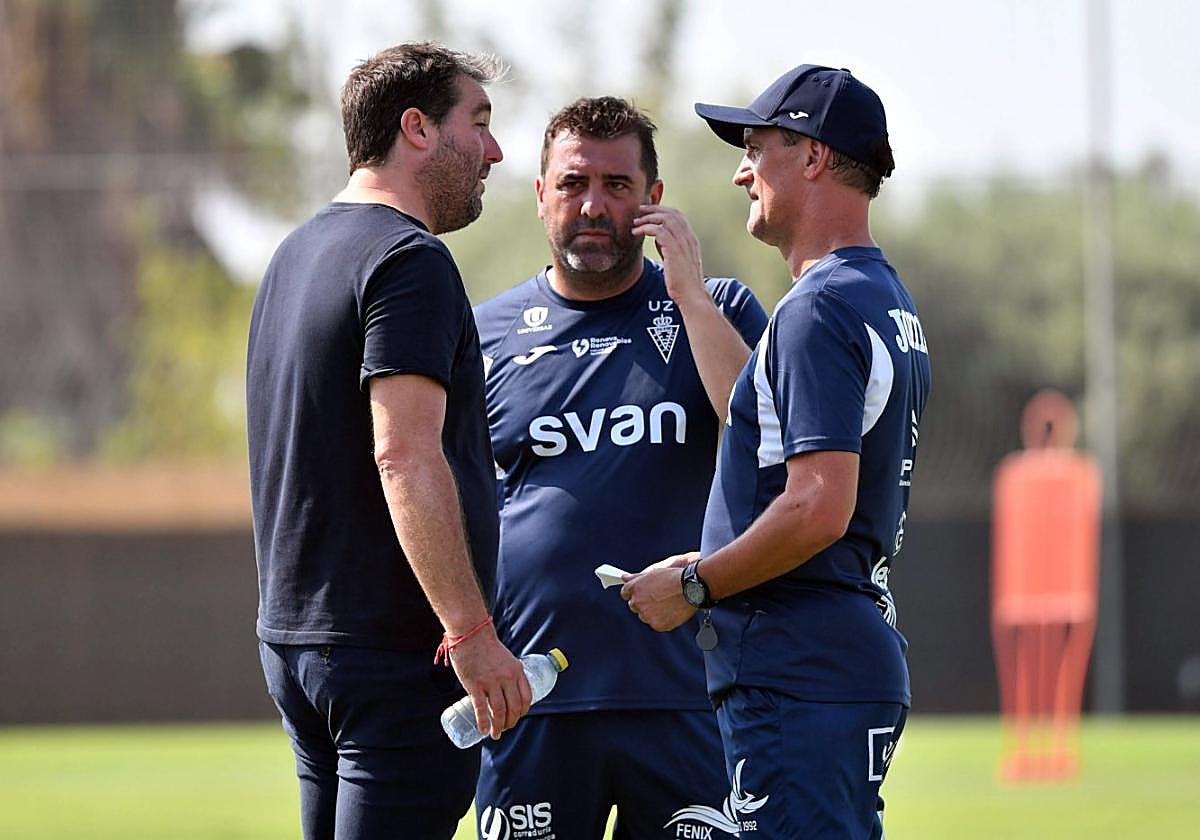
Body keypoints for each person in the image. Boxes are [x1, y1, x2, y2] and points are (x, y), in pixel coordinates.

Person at [623, 65, 932, 839]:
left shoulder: (819, 305)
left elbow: (818, 506)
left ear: (814, 156)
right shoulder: (876, 295)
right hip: (834, 658)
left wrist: (694, 583)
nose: (740, 170)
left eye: (756, 147)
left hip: (799, 666)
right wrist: (691, 294)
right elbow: (753, 422)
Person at [246, 42, 531, 840]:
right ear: (418, 129)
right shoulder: (409, 260)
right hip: (391, 656)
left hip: (300, 645)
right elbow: (403, 454)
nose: (495, 150)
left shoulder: (294, 255)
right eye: (478, 123)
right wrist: (472, 636)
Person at [472, 97, 768, 840]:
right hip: (532, 704)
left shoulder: (717, 309)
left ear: (653, 199)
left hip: (687, 698)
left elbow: (763, 438)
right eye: (573, 184)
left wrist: (690, 295)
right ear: (540, 194)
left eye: (618, 185)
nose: (594, 206)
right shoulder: (482, 335)